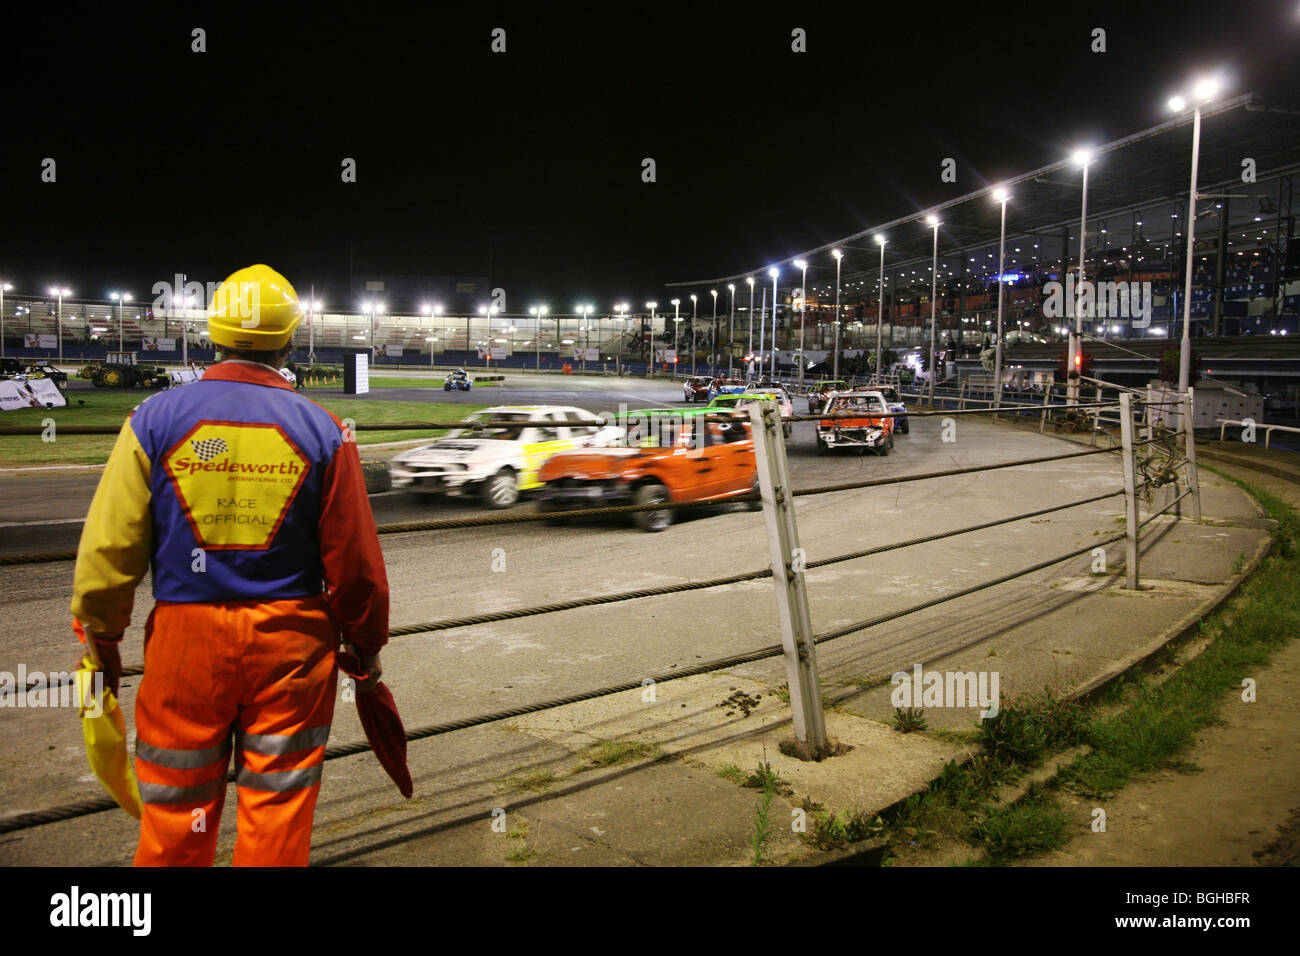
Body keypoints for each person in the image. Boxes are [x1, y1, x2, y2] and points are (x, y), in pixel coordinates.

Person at [70, 264, 390, 867]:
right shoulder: (324, 429)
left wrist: (100, 639)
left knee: (174, 820)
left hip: (185, 647)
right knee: (276, 817)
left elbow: (109, 550)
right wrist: (366, 644)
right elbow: (355, 564)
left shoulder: (153, 419)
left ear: (211, 333)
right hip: (292, 647)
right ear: (291, 339)